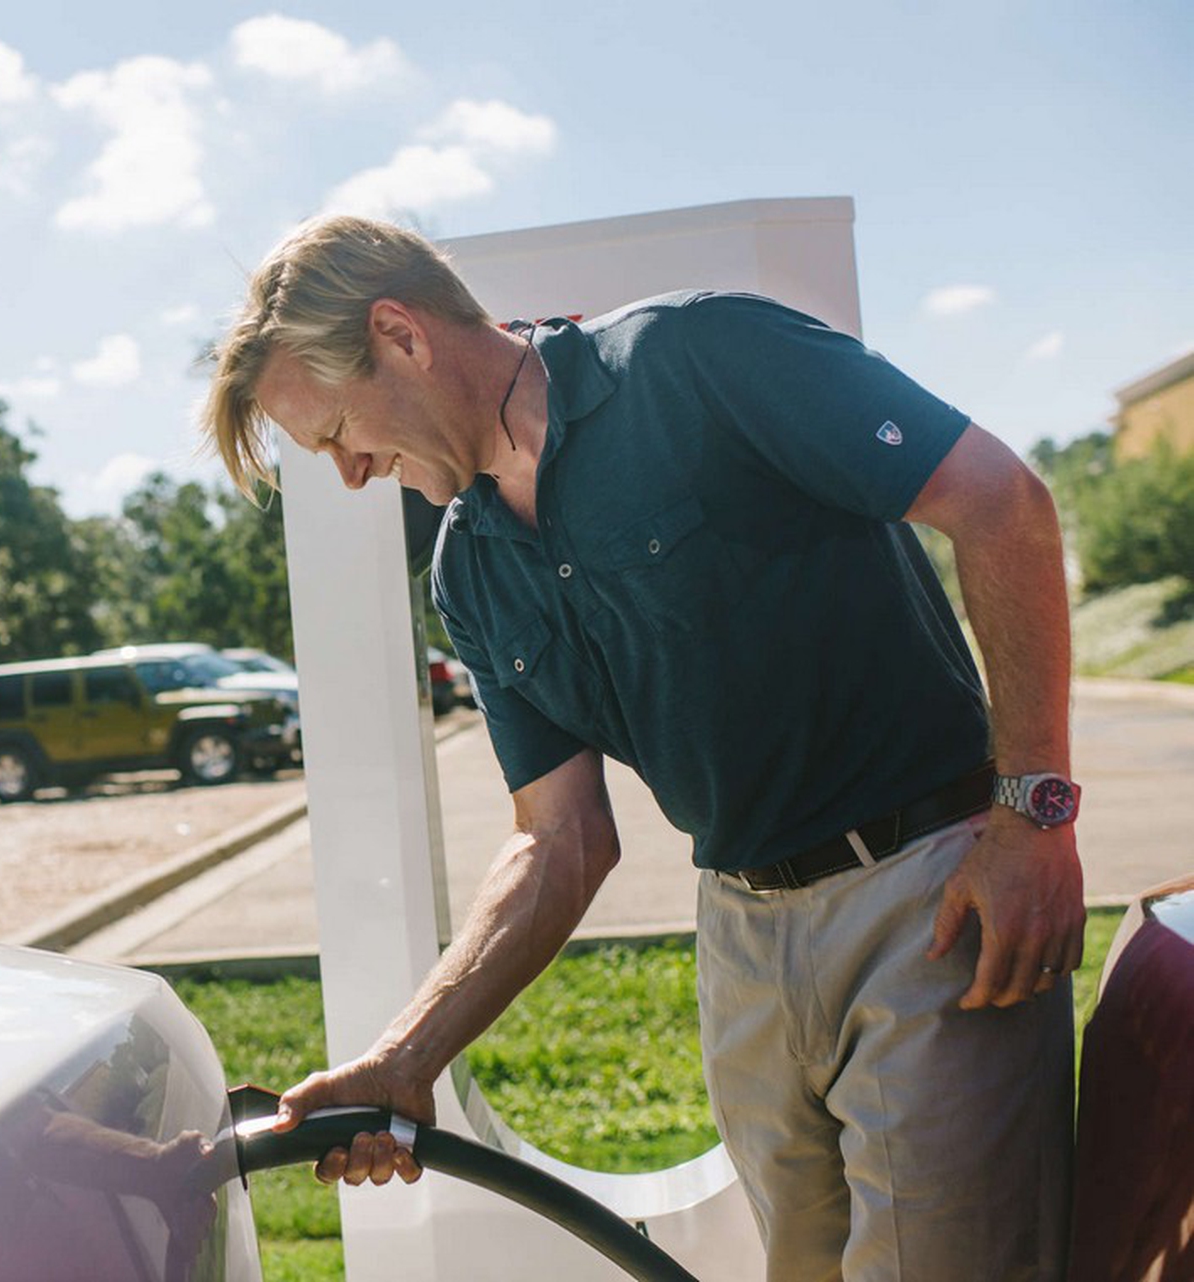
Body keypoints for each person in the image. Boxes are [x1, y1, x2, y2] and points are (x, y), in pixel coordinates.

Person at [199, 214, 1083, 1280]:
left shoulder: (701, 359)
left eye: (338, 428)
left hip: (927, 896)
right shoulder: (470, 575)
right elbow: (559, 838)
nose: (349, 473)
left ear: (401, 334)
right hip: (743, 943)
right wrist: (406, 1055)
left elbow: (1002, 503)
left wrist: (1033, 815)